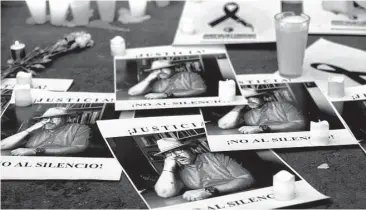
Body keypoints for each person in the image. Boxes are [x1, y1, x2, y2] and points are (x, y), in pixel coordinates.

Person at [153, 138, 255, 201]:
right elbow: (164, 193)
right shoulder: (177, 170)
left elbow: (247, 178)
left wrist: (210, 191)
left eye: (178, 150)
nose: (176, 156)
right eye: (169, 154)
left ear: (190, 149)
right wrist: (168, 167)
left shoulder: (217, 157)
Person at [1, 107, 91, 156]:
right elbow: (2, 146)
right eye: (46, 118)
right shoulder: (36, 129)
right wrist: (29, 130)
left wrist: (35, 151)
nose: (48, 121)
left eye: (55, 117)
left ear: (66, 118)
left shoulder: (80, 128)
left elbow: (79, 148)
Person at [218, 91, 306, 134]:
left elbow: (299, 123)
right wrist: (238, 107)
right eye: (246, 99)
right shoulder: (247, 115)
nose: (249, 101)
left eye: (253, 97)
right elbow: (223, 125)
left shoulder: (283, 105)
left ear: (263, 97)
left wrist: (261, 128)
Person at [128, 60, 207, 99]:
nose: (159, 71)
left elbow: (201, 90)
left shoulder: (191, 76)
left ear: (173, 68)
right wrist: (148, 79)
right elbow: (132, 92)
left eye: (163, 68)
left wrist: (166, 94)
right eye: (156, 70)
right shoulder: (156, 84)